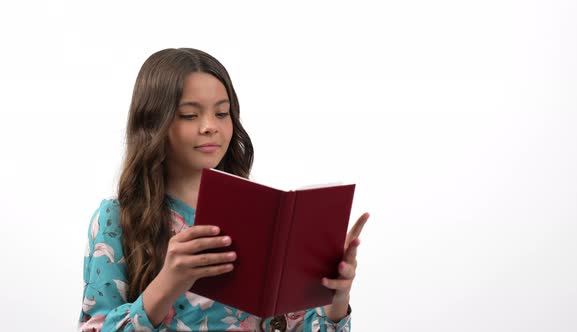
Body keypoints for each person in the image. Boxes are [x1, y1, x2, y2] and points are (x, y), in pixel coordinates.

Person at [78, 48, 369, 332]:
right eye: (190, 115)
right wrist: (167, 284)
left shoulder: (261, 215)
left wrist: (336, 300)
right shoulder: (116, 218)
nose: (210, 126)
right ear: (154, 122)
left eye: (222, 113)